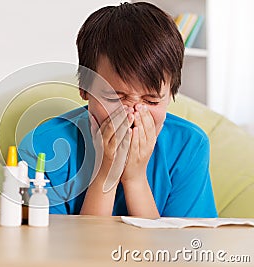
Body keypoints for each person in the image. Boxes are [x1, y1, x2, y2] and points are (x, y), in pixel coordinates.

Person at [18, 2, 217, 218]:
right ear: (84, 89)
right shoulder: (43, 147)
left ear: (170, 95)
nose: (132, 115)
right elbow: (60, 248)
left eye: (151, 101)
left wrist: (135, 179)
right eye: (115, 97)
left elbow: (178, 248)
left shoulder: (189, 145)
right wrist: (106, 174)